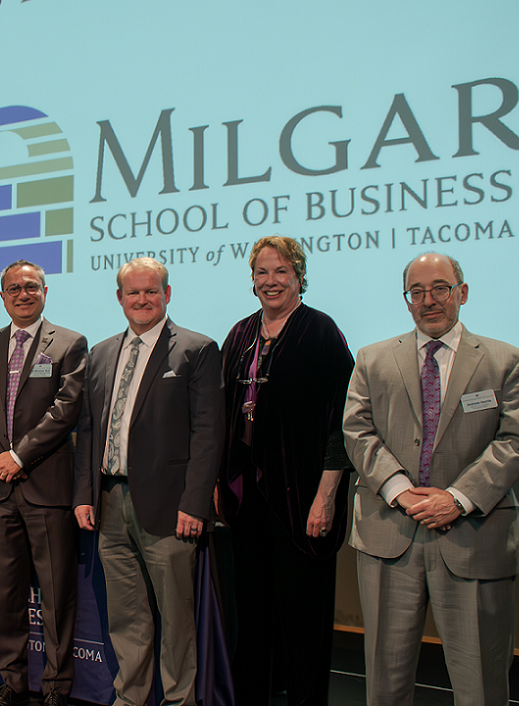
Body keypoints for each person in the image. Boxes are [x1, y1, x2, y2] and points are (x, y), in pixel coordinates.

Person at [344, 253, 519, 706]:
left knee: (481, 686)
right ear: (407, 300)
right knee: (385, 686)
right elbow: (356, 430)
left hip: (474, 535)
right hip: (389, 536)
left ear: (462, 293)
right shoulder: (372, 360)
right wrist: (399, 490)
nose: (429, 300)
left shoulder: (509, 362)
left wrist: (457, 498)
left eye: (440, 288)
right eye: (417, 292)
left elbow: (515, 442)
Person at [73, 257, 224, 706]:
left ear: (167, 294)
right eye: (133, 292)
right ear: (119, 298)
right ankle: (131, 698)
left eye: (151, 291)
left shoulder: (196, 350)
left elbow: (209, 434)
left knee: (177, 620)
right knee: (127, 617)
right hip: (110, 502)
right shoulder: (99, 353)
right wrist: (84, 495)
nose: (142, 299)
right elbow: (89, 433)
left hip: (170, 507)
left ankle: (180, 701)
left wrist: (196, 504)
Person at [215, 236, 353, 706]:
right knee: (252, 617)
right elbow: (224, 414)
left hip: (302, 499)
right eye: (262, 273)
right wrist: (220, 481)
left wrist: (327, 495)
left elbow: (343, 423)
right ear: (252, 279)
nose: (270, 282)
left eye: (281, 272)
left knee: (303, 620)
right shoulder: (239, 335)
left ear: (299, 277)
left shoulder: (320, 332)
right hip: (247, 499)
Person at [0, 260, 87, 706]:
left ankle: (56, 685)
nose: (22, 293)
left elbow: (66, 409)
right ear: (2, 296)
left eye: (30, 286)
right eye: (13, 288)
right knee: (7, 591)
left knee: (56, 595)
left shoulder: (70, 343)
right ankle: (11, 679)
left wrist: (19, 456)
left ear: (45, 291)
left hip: (46, 487)